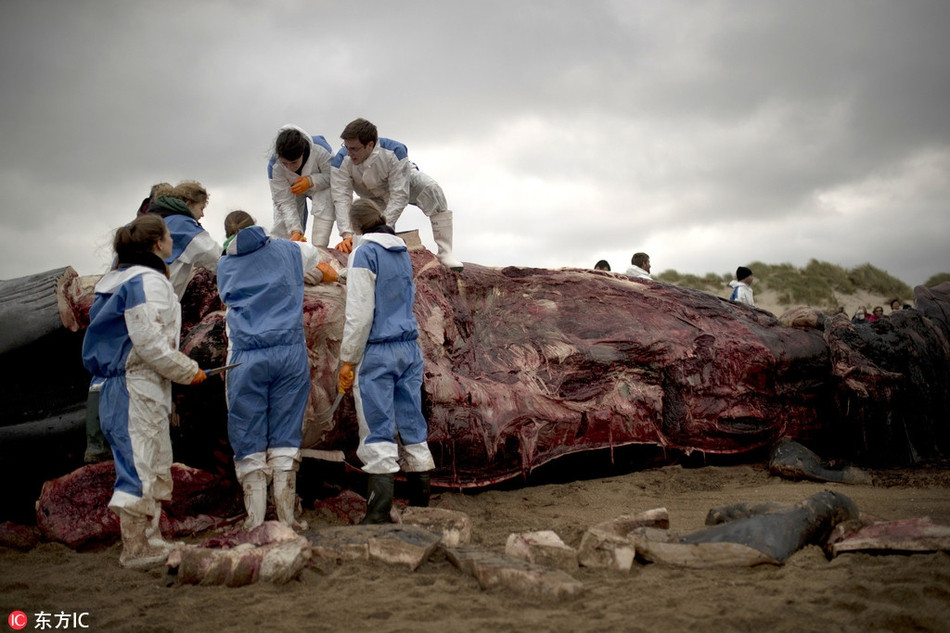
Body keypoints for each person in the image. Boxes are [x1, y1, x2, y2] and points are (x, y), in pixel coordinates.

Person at [81, 214, 207, 569]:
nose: (172, 242)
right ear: (157, 244)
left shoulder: (117, 277)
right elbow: (149, 342)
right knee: (139, 466)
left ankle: (150, 538)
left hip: (130, 383)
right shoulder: (146, 281)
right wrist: (188, 370)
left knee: (151, 461)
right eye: (168, 236)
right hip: (135, 383)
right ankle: (135, 548)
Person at [216, 210, 337, 532]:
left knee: (247, 431)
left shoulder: (224, 263)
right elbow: (315, 257)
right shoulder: (289, 250)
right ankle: (287, 516)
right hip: (288, 351)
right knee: (285, 432)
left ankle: (255, 520)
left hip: (244, 355)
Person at [338, 199, 435, 524]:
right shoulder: (401, 252)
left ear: (355, 226)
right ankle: (422, 506)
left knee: (376, 428)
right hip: (408, 348)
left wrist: (348, 360)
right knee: (411, 422)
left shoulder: (363, 254)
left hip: (377, 352)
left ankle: (378, 512)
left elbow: (360, 314)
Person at [330, 118, 463, 271]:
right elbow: (341, 197)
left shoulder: (395, 152)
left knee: (432, 190)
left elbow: (399, 195)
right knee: (366, 228)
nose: (349, 153)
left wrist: (384, 226)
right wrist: (346, 234)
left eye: (354, 149)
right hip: (371, 197)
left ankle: (445, 254)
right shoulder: (340, 161)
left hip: (404, 184)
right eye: (346, 147)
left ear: (370, 145)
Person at [268, 125, 344, 246]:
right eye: (284, 163)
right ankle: (287, 247)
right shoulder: (275, 167)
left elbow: (335, 177)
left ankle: (320, 248)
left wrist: (311, 181)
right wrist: (295, 230)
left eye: (293, 162)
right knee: (283, 225)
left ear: (303, 152)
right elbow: (283, 200)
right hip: (291, 193)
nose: (289, 167)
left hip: (322, 187)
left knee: (324, 197)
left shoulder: (320, 150)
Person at [146, 181, 221, 300]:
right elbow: (216, 257)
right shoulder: (183, 226)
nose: (202, 214)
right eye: (201, 208)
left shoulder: (147, 222)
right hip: (156, 298)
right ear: (188, 203)